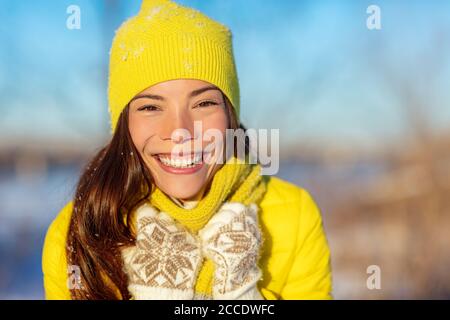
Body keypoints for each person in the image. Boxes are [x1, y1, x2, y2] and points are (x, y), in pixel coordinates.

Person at [42, 0, 332, 300]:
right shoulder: (80, 231)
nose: (179, 130)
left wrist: (243, 296)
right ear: (124, 125)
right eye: (151, 107)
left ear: (230, 113)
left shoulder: (294, 214)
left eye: (203, 103)